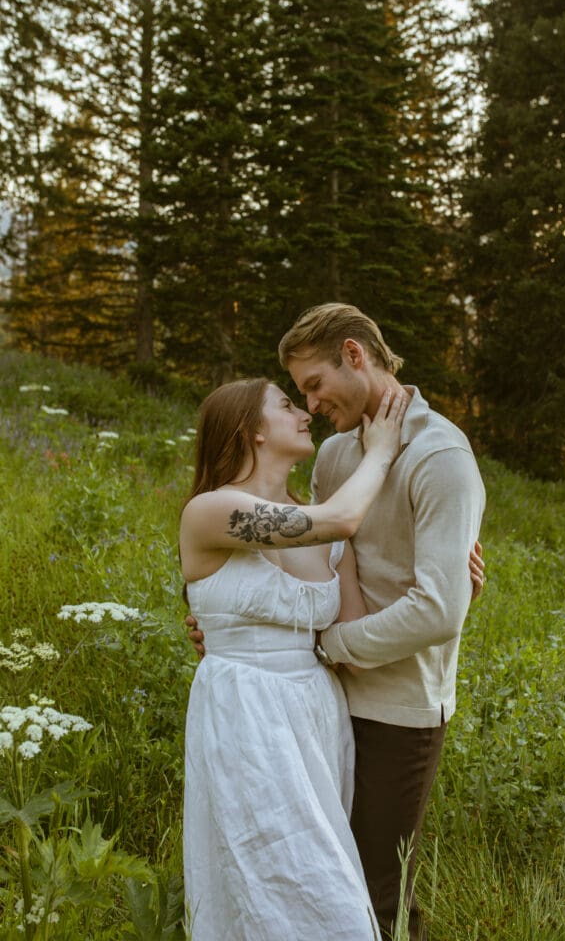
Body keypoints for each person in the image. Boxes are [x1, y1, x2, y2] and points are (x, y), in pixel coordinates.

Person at [187, 304, 486, 940]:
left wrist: (330, 644)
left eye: (313, 386)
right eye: (295, 397)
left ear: (354, 355)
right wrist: (233, 633)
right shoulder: (333, 460)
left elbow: (432, 607)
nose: (310, 405)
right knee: (296, 874)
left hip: (396, 701)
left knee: (371, 889)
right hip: (317, 701)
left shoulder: (441, 457)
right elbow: (316, 551)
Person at [180, 377, 408, 940]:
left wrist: (452, 599)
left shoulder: (331, 540)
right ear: (252, 430)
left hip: (313, 713)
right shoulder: (213, 512)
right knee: (278, 882)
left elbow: (355, 645)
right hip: (244, 713)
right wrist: (379, 451)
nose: (305, 412)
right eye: (286, 406)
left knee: (316, 873)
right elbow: (341, 518)